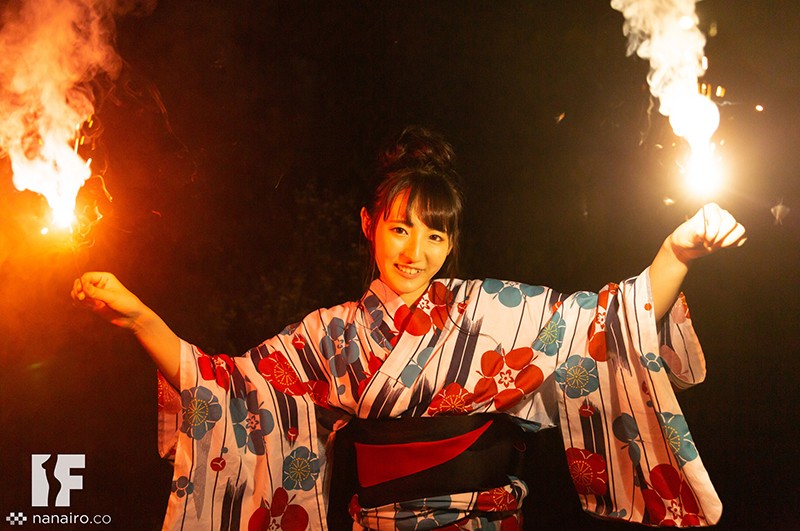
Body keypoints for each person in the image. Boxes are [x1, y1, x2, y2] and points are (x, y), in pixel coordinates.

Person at [73, 126, 745, 530]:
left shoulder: (494, 310)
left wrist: (675, 255)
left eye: (435, 235)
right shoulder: (330, 334)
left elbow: (603, 324)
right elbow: (229, 389)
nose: (415, 252)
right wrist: (139, 317)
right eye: (399, 228)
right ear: (369, 224)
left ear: (451, 244)